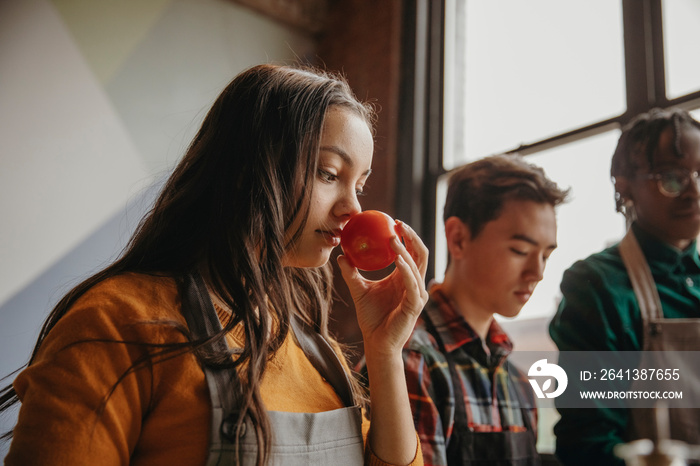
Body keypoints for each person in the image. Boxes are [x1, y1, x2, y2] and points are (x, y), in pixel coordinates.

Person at [0, 64, 429, 466]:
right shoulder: (115, 323)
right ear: (246, 168)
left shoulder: (316, 351)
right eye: (328, 173)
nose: (353, 209)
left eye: (361, 184)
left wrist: (384, 351)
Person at [359, 154, 569, 465]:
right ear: (458, 239)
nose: (537, 272)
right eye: (520, 250)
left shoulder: (519, 384)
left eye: (546, 256)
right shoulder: (409, 362)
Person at [549, 108, 700, 465]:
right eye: (672, 177)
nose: (694, 191)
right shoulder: (598, 286)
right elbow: (586, 444)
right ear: (624, 184)